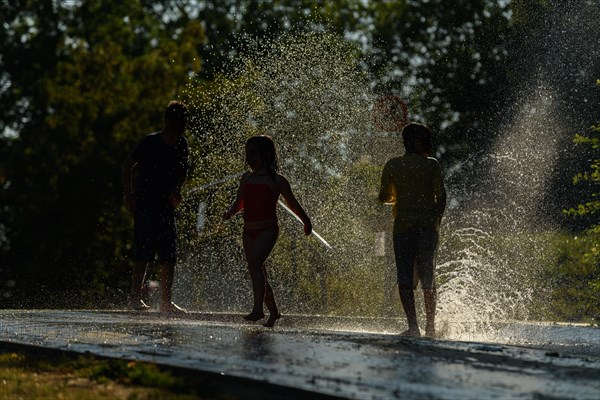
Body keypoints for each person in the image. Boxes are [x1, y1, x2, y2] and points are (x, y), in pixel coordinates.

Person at [223, 135, 312, 327]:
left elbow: (293, 204)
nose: (249, 157)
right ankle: (274, 312)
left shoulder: (277, 180)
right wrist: (230, 212)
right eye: (247, 154)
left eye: (253, 153)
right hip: (248, 231)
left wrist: (306, 221)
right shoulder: (246, 178)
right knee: (258, 270)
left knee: (254, 264)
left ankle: (258, 310)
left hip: (267, 230)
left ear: (267, 154)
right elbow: (240, 203)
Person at [378, 123, 446, 338]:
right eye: (426, 140)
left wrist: (398, 197)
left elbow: (383, 197)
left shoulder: (392, 165)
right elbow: (441, 196)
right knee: (429, 278)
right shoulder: (432, 165)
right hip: (428, 228)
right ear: (416, 142)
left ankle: (413, 327)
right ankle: (431, 328)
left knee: (405, 278)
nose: (429, 144)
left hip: (403, 227)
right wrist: (437, 220)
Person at [122, 100, 190, 314]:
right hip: (145, 204)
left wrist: (177, 189)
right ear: (168, 120)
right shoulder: (150, 142)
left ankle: (166, 302)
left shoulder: (182, 144)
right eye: (179, 121)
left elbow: (182, 171)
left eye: (185, 122)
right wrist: (128, 195)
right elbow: (127, 166)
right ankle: (135, 299)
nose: (183, 126)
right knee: (143, 252)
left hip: (166, 206)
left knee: (169, 254)